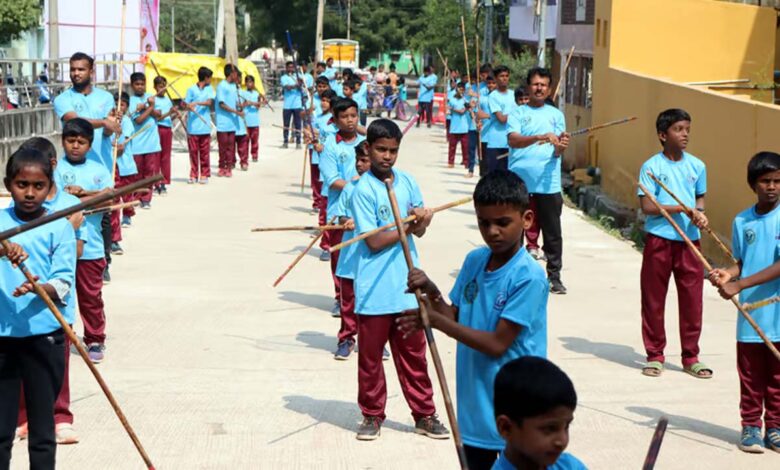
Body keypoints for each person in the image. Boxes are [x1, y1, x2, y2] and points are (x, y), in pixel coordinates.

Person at [397, 170, 549, 469]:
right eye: (484, 222)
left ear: (527, 220)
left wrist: (437, 322)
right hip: (474, 410)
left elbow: (496, 344)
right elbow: (456, 315)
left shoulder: (528, 277)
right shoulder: (475, 261)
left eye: (502, 223)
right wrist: (432, 292)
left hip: (515, 413)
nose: (492, 231)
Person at [350, 119, 448, 441]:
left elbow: (417, 229)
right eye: (381, 150)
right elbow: (374, 242)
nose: (387, 157)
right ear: (368, 148)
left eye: (393, 150)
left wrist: (424, 220)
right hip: (375, 290)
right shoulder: (362, 190)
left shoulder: (407, 182)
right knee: (371, 358)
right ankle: (372, 415)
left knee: (414, 357)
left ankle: (424, 414)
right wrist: (406, 225)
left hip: (406, 287)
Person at [0, 148, 77, 469]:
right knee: (2, 430)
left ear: (49, 186)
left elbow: (63, 283)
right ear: (8, 184)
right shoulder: (1, 224)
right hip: (3, 335)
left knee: (43, 431)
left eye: (38, 185)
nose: (29, 193)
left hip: (44, 336)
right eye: (21, 184)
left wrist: (37, 287)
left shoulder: (59, 226)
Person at [13, 139, 85, 445]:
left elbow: (78, 251)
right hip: (14, 310)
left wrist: (67, 228)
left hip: (53, 307)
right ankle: (22, 418)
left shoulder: (68, 208)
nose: (30, 190)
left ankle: (60, 417)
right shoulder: (11, 212)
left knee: (55, 368)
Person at [708, 151, 780, 454]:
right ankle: (750, 426)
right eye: (765, 181)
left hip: (776, 312)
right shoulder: (742, 220)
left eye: (777, 181)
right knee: (750, 375)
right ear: (753, 184)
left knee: (776, 376)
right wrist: (728, 274)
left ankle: (775, 427)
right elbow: (742, 262)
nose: (773, 187)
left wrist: (741, 283)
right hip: (750, 313)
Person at [636, 108, 710, 379]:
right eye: (679, 129)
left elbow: (699, 199)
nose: (685, 134)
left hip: (689, 241)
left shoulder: (697, 166)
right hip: (659, 239)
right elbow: (647, 206)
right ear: (662, 134)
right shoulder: (651, 167)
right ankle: (655, 355)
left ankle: (691, 356)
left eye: (687, 129)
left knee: (692, 300)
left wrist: (699, 213)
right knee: (653, 298)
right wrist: (680, 208)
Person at [54, 118, 113, 364]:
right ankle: (62, 336)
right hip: (61, 247)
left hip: (92, 248)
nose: (75, 146)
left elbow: (109, 200)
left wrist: (84, 194)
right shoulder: (54, 170)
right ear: (63, 142)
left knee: (91, 295)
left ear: (90, 144)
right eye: (70, 141)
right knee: (60, 294)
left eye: (81, 142)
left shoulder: (98, 170)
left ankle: (95, 338)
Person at [507, 67, 570, 294]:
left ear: (549, 89)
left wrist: (560, 147)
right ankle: (512, 274)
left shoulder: (556, 116)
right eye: (535, 84)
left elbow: (558, 151)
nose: (539, 88)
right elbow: (513, 140)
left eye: (544, 84)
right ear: (528, 87)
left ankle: (554, 276)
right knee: (514, 231)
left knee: (552, 233)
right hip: (519, 184)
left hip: (548, 184)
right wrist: (538, 137)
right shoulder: (518, 113)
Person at [491, 357, 586, 470]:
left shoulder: (570, 465)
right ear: (506, 428)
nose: (562, 440)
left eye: (566, 426)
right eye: (550, 428)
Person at [319, 99, 365, 313]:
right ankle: (341, 297)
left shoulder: (366, 142)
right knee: (340, 257)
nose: (350, 121)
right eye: (345, 117)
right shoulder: (331, 145)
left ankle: (361, 298)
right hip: (340, 211)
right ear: (335, 121)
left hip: (366, 210)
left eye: (353, 116)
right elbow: (332, 180)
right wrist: (358, 185)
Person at [332, 141, 372, 359]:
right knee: (348, 301)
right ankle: (346, 338)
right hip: (349, 257)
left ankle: (373, 341)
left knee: (369, 302)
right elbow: (342, 214)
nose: (359, 164)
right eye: (358, 160)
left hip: (372, 258)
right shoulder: (350, 188)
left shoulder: (384, 189)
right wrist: (348, 220)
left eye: (365, 160)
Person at [53, 52, 121, 172]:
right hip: (74, 167)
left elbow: (107, 133)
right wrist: (104, 122)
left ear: (91, 72)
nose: (76, 73)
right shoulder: (62, 99)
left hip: (103, 164)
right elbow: (75, 122)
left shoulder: (106, 97)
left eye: (81, 69)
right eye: (73, 69)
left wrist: (112, 124)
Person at [104, 92, 138, 245]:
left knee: (128, 195)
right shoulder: (107, 122)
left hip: (126, 166)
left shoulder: (127, 122)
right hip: (112, 167)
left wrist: (116, 146)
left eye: (122, 105)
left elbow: (121, 147)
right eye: (115, 105)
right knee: (114, 202)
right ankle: (114, 238)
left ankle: (128, 214)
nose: (119, 108)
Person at [129, 72, 161, 209]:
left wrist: (150, 107)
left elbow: (158, 115)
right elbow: (138, 120)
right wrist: (148, 108)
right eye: (137, 84)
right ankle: (136, 197)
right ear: (132, 85)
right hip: (137, 144)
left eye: (142, 84)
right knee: (137, 173)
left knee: (149, 173)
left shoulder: (151, 97)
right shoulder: (131, 101)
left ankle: (146, 198)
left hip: (152, 144)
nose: (140, 87)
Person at [309, 89, 339, 228]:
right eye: (323, 100)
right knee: (321, 188)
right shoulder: (319, 118)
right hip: (319, 158)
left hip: (335, 164)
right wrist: (310, 136)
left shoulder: (339, 126)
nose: (324, 103)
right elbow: (314, 133)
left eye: (327, 101)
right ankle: (323, 227)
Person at [184, 66, 215, 184]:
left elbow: (209, 102)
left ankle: (204, 174)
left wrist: (196, 102)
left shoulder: (209, 89)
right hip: (193, 127)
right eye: (210, 78)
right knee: (193, 152)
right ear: (206, 78)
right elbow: (186, 104)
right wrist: (188, 106)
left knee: (204, 153)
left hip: (205, 126)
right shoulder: (191, 89)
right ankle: (193, 174)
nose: (210, 80)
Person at [485, 65, 514, 173]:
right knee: (495, 177)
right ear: (496, 78)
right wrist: (516, 114)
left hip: (512, 142)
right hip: (496, 142)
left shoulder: (514, 94)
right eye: (501, 76)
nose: (504, 78)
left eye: (506, 76)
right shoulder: (493, 96)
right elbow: (501, 119)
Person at [215, 64, 242, 177]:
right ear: (231, 73)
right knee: (223, 147)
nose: (237, 75)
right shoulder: (222, 86)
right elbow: (222, 104)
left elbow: (235, 103)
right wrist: (235, 112)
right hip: (223, 122)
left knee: (231, 147)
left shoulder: (234, 86)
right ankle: (222, 166)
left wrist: (240, 106)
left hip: (232, 122)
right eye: (236, 73)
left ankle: (229, 167)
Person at [153, 76, 178, 195]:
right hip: (157, 129)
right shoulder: (154, 100)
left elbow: (168, 118)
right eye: (160, 86)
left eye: (164, 86)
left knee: (166, 157)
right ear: (155, 87)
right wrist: (169, 112)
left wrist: (174, 114)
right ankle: (156, 182)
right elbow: (158, 118)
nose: (162, 89)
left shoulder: (168, 100)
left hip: (168, 129)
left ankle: (164, 181)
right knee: (157, 156)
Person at [476, 75, 496, 177]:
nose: (491, 85)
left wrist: (487, 116)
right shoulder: (483, 98)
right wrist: (478, 122)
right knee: (483, 164)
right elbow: (478, 114)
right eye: (489, 83)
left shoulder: (502, 98)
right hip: (484, 136)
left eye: (493, 83)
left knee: (494, 166)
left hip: (497, 138)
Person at [281, 61, 304, 149]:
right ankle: (285, 141)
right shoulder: (284, 77)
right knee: (286, 124)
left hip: (297, 105)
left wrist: (300, 83)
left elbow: (302, 86)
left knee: (298, 124)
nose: (290, 69)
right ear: (286, 68)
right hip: (287, 105)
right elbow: (287, 87)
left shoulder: (298, 77)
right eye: (289, 67)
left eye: (292, 67)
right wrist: (296, 85)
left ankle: (298, 142)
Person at [447, 81, 470, 169]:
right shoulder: (452, 100)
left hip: (464, 127)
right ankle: (450, 162)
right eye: (460, 89)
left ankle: (466, 162)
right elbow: (449, 111)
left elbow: (462, 111)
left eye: (463, 89)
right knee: (452, 146)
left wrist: (453, 109)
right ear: (457, 89)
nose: (461, 91)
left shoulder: (465, 100)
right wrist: (451, 109)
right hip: (454, 126)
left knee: (465, 146)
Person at [243, 75, 264, 162]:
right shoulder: (243, 93)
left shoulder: (257, 94)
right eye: (247, 82)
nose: (249, 84)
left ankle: (255, 155)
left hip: (255, 121)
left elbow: (259, 105)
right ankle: (245, 157)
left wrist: (252, 102)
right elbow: (242, 104)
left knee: (255, 140)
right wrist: (246, 103)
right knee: (245, 141)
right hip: (246, 121)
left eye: (251, 82)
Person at [234, 71, 250, 171]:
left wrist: (243, 105)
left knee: (243, 144)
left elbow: (245, 102)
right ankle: (231, 162)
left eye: (238, 78)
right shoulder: (230, 90)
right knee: (230, 145)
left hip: (241, 122)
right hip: (232, 122)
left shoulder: (242, 92)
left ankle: (244, 162)